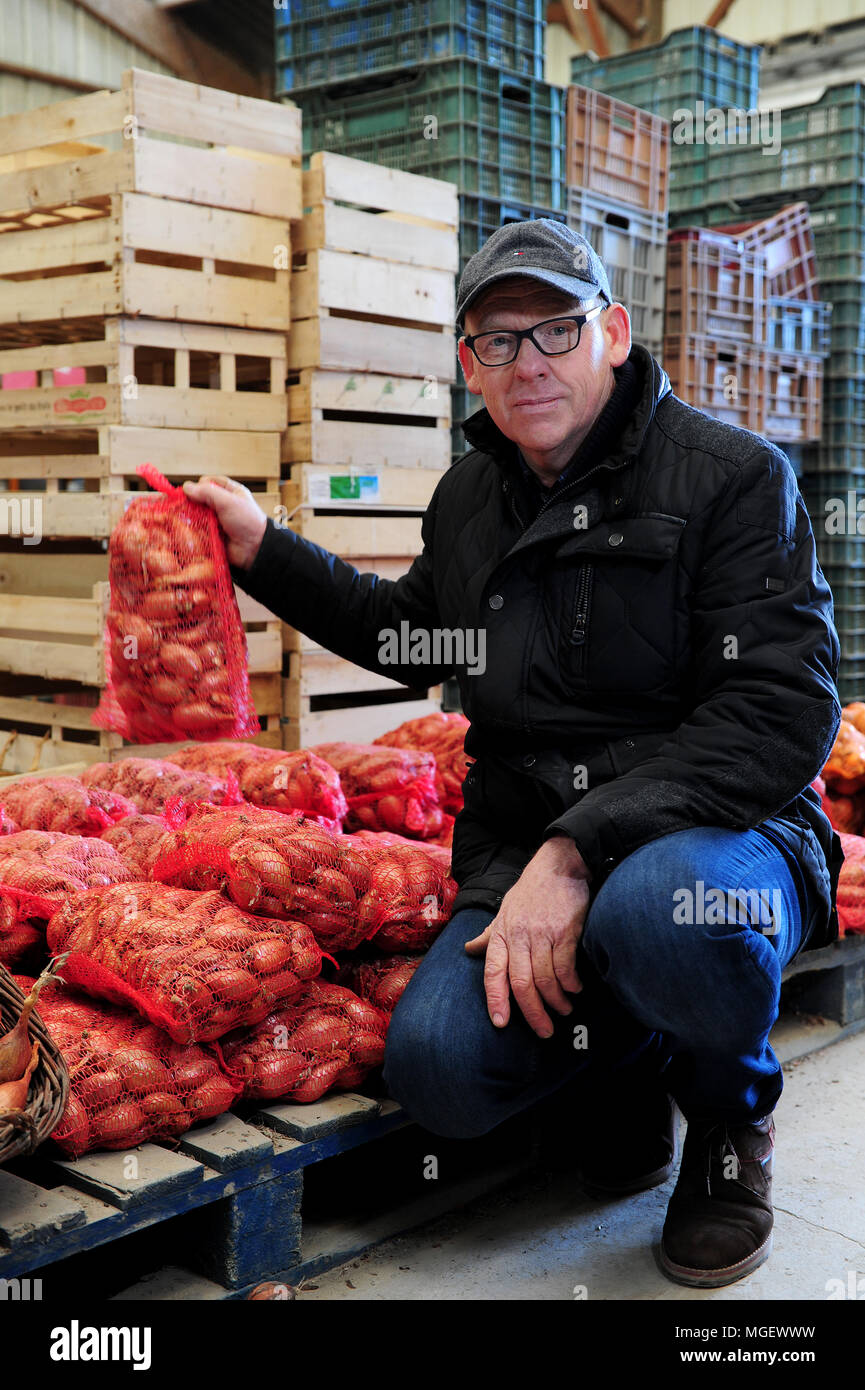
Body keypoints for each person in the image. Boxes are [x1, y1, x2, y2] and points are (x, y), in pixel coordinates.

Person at [184, 218, 845, 1291]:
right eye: (498, 341)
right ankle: (623, 1061)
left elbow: (779, 712)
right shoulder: (469, 498)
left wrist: (579, 850)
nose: (527, 361)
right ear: (468, 365)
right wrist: (264, 549)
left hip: (716, 832)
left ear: (614, 333)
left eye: (554, 330)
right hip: (526, 837)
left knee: (665, 916)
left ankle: (727, 1127)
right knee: (439, 1069)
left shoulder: (730, 479)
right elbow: (412, 638)